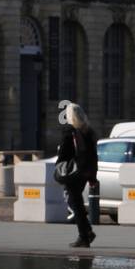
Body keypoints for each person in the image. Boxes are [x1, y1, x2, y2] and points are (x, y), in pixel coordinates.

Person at [56, 102, 98, 246]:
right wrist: (92, 177)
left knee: (75, 203)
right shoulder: (89, 131)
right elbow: (94, 156)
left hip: (72, 172)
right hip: (85, 172)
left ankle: (84, 237)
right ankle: (88, 232)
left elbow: (63, 153)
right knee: (77, 202)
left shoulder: (69, 131)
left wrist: (59, 167)